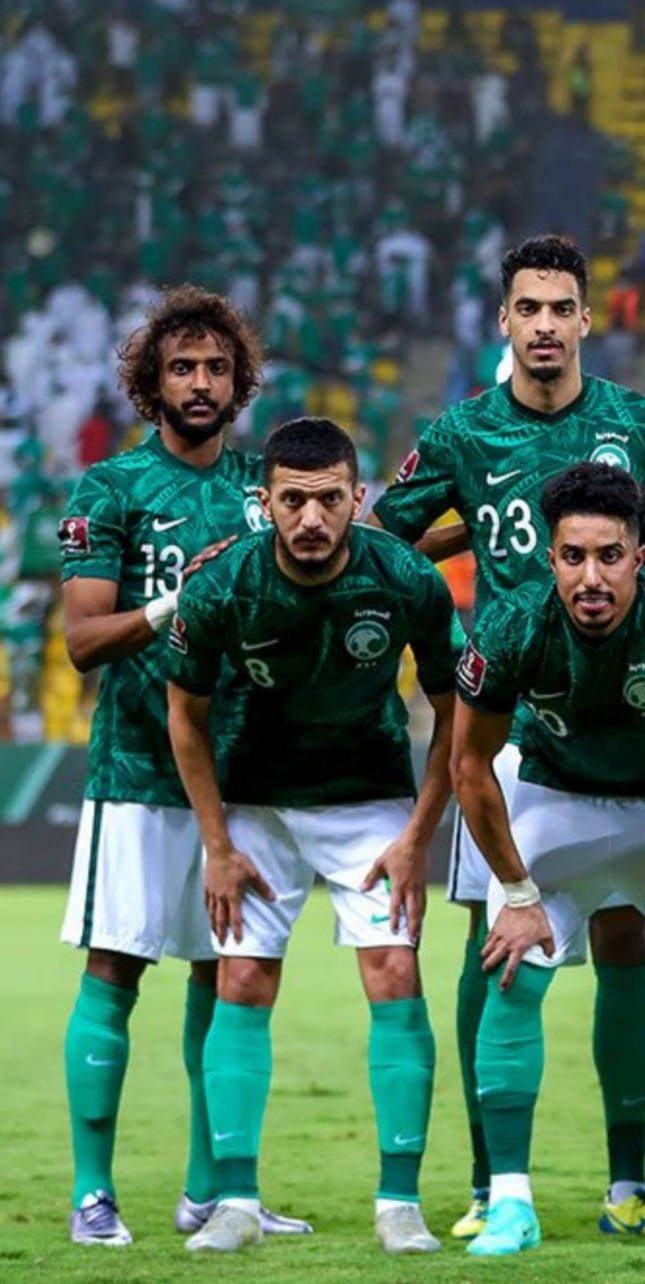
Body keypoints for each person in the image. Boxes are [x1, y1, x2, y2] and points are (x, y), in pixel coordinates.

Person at [370, 234, 645, 1245]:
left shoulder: (634, 421)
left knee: (628, 929)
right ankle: (484, 1179)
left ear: (589, 319)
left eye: (562, 308)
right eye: (527, 308)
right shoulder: (462, 431)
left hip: (637, 712)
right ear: (504, 321)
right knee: (496, 937)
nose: (545, 324)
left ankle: (628, 1182)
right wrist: (471, 540)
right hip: (512, 714)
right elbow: (388, 544)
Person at [166, 417, 457, 1255]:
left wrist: (416, 835)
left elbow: (455, 711)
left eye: (329, 499)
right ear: (266, 503)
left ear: (357, 498)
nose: (311, 518)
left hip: (368, 799)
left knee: (395, 971)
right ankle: (235, 1204)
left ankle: (399, 1203)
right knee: (244, 982)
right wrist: (218, 845)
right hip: (256, 802)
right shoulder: (222, 587)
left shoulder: (406, 579)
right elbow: (185, 718)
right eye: (293, 501)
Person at [452, 464, 645, 1258]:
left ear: (640, 557)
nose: (592, 577)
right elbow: (470, 766)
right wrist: (516, 893)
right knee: (510, 967)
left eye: (611, 556)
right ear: (550, 557)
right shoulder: (511, 626)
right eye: (573, 556)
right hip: (558, 810)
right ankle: (510, 1205)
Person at [56, 286, 308, 1247]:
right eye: (181, 368)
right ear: (150, 384)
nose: (200, 383)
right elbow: (82, 641)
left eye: (215, 368)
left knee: (226, 975)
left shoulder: (267, 486)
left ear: (240, 381)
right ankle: (91, 1194)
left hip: (245, 774)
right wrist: (175, 602)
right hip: (137, 774)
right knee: (116, 969)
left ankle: (210, 1193)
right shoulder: (110, 490)